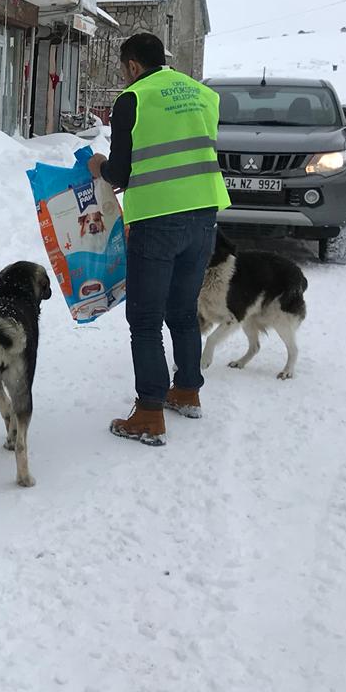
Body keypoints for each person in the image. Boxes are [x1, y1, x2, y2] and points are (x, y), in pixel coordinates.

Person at [87, 33, 230, 446]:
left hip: (157, 218)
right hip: (204, 214)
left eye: (123, 69)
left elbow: (121, 172)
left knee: (145, 318)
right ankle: (186, 391)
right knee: (182, 310)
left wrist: (100, 167)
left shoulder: (134, 98)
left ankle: (149, 414)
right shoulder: (203, 95)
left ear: (133, 65)